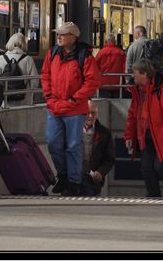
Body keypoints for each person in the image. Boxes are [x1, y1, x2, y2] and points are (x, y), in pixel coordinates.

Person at [40, 21, 101, 196]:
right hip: (55, 106)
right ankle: (64, 174)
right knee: (53, 142)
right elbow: (45, 75)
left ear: (73, 37)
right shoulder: (52, 53)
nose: (58, 37)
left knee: (73, 145)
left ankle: (73, 181)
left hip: (74, 108)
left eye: (62, 34)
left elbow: (92, 82)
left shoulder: (84, 56)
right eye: (58, 34)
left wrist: (75, 98)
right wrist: (49, 96)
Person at [124, 58, 163, 198]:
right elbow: (132, 115)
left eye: (135, 73)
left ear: (144, 74)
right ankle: (153, 196)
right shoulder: (138, 91)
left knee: (161, 166)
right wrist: (129, 135)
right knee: (147, 167)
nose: (133, 76)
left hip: (162, 136)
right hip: (146, 136)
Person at [0, 32, 39, 107]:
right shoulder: (28, 59)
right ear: (23, 44)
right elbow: (35, 81)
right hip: (24, 99)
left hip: (5, 98)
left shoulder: (1, 58)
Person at [80, 99, 115, 196]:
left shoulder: (105, 133)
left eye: (93, 113)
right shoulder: (73, 130)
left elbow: (109, 159)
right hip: (73, 178)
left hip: (92, 180)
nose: (90, 116)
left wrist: (100, 172)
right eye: (87, 113)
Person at [94, 33, 127, 99]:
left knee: (103, 104)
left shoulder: (101, 52)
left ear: (105, 42)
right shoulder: (121, 53)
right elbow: (125, 69)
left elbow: (95, 67)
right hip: (118, 84)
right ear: (115, 41)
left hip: (103, 83)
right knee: (118, 104)